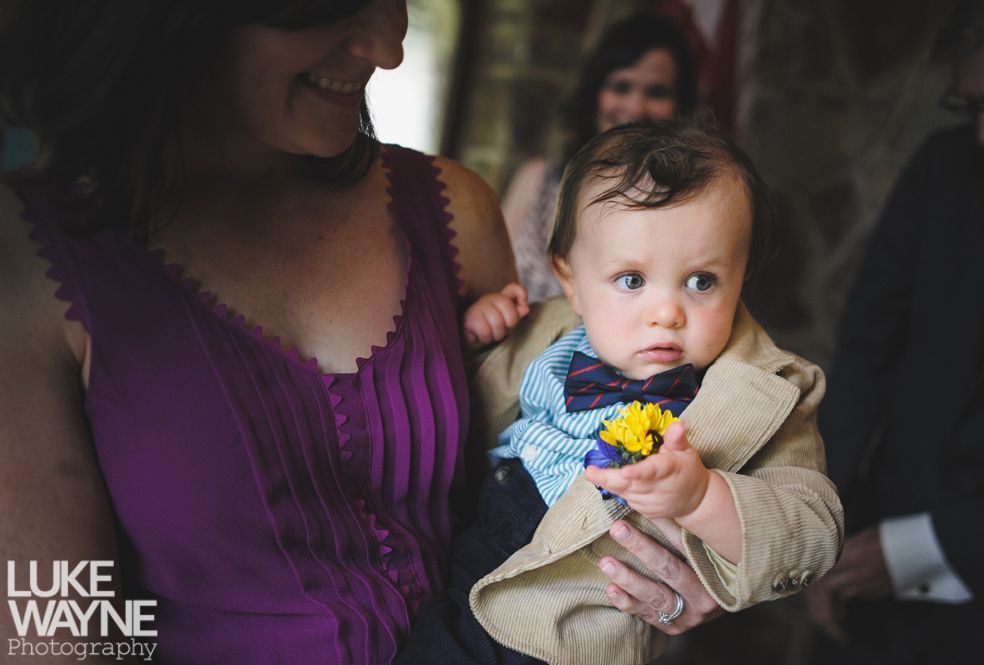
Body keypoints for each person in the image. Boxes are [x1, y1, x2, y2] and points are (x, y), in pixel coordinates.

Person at [0, 2, 727, 663]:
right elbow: (55, 633)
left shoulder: (454, 214)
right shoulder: (29, 267)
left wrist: (656, 553)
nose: (389, 48)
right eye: (334, 4)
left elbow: (536, 479)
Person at [412, 119, 843, 665]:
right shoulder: (547, 331)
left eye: (702, 281)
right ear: (569, 279)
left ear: (744, 276)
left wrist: (701, 499)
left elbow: (813, 527)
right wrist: (476, 336)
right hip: (468, 552)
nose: (666, 313)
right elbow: (453, 408)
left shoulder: (768, 390)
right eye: (633, 280)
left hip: (567, 622)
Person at [805, 1, 984, 662]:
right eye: (971, 107)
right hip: (871, 570)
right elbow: (865, 346)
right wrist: (820, 519)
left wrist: (933, 545)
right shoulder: (946, 168)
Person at [502, 13, 698, 303]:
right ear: (595, 94)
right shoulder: (538, 178)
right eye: (621, 86)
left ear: (680, 103)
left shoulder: (690, 197)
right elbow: (487, 283)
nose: (636, 107)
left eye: (656, 91)